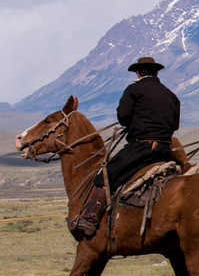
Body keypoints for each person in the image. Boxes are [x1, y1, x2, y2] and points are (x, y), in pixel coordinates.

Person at [70, 56, 180, 237]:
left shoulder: (134, 89)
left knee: (105, 174)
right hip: (165, 149)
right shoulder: (171, 95)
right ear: (156, 73)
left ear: (138, 73)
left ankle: (90, 219)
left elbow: (123, 116)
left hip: (142, 147)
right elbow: (174, 125)